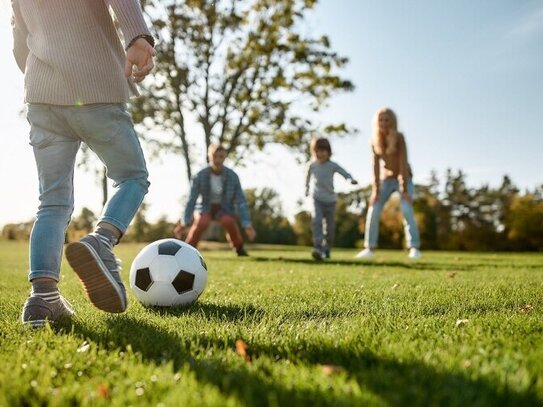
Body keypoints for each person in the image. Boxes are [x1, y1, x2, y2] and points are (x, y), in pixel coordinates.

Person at [12, 0, 156, 327]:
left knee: (52, 202)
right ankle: (102, 240)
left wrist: (46, 74)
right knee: (133, 177)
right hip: (94, 86)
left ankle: (42, 300)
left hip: (42, 97)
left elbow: (20, 42)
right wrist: (138, 37)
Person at [355, 108, 421, 259]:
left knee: (406, 208)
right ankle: (369, 248)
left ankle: (414, 247)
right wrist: (375, 191)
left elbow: (403, 163)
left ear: (392, 122)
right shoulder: (374, 140)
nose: (383, 123)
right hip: (386, 180)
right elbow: (375, 168)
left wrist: (404, 190)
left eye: (386, 119)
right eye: (381, 120)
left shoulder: (399, 138)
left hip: (404, 177)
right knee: (374, 208)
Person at [174, 144, 256, 256]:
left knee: (229, 221)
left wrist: (247, 225)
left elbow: (241, 201)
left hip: (223, 209)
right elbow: (191, 200)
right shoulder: (200, 175)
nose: (217, 160)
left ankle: (239, 248)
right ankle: (188, 249)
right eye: (214, 156)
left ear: (225, 157)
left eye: (221, 156)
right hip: (204, 208)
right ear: (209, 156)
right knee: (202, 222)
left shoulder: (233, 176)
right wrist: (185, 221)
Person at [305, 137, 358, 260]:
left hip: (330, 201)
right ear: (314, 152)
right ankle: (318, 248)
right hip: (316, 198)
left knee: (329, 228)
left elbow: (344, 172)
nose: (320, 154)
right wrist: (306, 189)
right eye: (317, 151)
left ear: (328, 152)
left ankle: (326, 248)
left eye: (323, 151)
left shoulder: (332, 165)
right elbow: (307, 178)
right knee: (316, 221)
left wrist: (350, 179)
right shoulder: (312, 165)